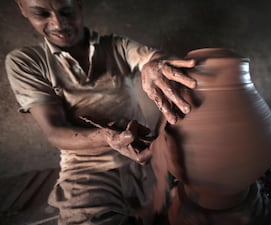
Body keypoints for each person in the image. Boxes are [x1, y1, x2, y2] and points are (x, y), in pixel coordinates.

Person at [5, 0, 196, 224]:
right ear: (22, 8)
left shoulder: (116, 45)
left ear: (79, 4)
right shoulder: (27, 62)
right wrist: (108, 138)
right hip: (86, 170)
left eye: (66, 11)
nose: (58, 23)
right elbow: (55, 131)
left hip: (146, 159)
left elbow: (150, 58)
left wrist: (155, 64)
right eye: (42, 14)